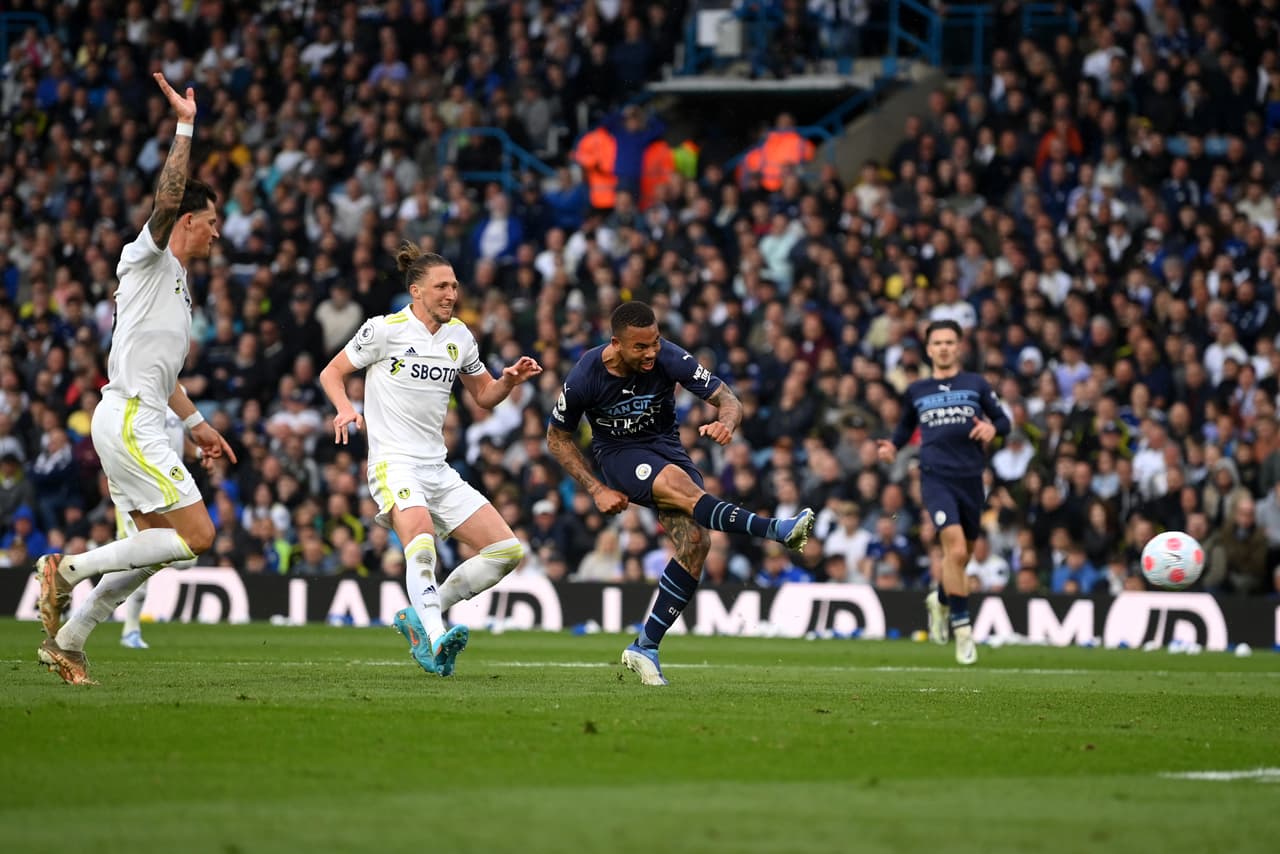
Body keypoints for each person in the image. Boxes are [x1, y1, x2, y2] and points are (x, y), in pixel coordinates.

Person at [35, 72, 236, 685]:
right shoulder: (147, 259)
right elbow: (168, 196)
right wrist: (185, 125)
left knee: (153, 550)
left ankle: (69, 642)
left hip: (138, 413)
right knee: (196, 535)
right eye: (210, 221)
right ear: (185, 223)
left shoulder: (178, 290)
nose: (216, 232)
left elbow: (165, 374)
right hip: (128, 416)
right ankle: (65, 570)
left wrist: (199, 426)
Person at [546, 301, 815, 686]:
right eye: (640, 347)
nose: (651, 352)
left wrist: (726, 423)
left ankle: (645, 646)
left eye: (655, 342)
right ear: (616, 344)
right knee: (679, 486)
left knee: (695, 543)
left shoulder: (670, 356)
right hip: (620, 455)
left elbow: (729, 399)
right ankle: (776, 530)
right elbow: (557, 439)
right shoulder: (586, 375)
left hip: (667, 447)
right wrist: (596, 488)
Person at [319, 242, 542, 678]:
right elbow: (332, 372)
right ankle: (437, 639)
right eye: (441, 286)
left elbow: (484, 396)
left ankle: (422, 616)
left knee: (506, 551)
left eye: (455, 286)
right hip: (393, 463)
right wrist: (345, 408)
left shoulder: (460, 337)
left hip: (436, 468)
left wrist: (509, 381)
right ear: (416, 291)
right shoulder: (384, 330)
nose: (451, 294)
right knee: (421, 545)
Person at [877, 320, 1009, 665]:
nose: (944, 347)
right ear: (929, 349)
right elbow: (905, 427)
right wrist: (892, 446)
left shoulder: (976, 384)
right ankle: (963, 630)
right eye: (938, 342)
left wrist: (992, 427)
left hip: (971, 478)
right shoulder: (918, 389)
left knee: (960, 556)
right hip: (935, 478)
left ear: (959, 346)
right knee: (953, 545)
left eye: (950, 341)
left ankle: (940, 599)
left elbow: (1004, 421)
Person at [116, 406, 201, 649]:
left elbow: (178, 438)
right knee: (142, 560)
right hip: (140, 489)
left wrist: (197, 451)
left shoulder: (178, 392)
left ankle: (85, 567)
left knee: (187, 557)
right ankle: (129, 630)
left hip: (171, 491)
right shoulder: (139, 392)